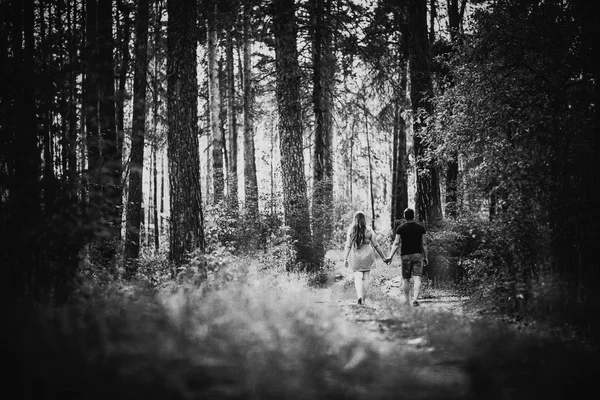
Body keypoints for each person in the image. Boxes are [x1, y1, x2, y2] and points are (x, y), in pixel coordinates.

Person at [385, 208, 428, 306]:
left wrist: (390, 256)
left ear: (405, 216)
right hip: (418, 255)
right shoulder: (421, 227)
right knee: (417, 278)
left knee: (406, 279)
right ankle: (415, 299)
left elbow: (396, 243)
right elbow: (424, 243)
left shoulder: (400, 228)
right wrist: (426, 257)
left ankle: (407, 300)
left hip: (405, 256)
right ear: (413, 216)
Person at [344, 212, 387, 305]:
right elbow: (376, 245)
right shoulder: (369, 230)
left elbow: (348, 245)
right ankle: (363, 299)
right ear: (364, 219)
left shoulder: (351, 230)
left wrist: (345, 258)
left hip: (355, 255)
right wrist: (383, 257)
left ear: (354, 219)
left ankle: (359, 296)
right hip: (368, 255)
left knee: (358, 277)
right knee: (366, 277)